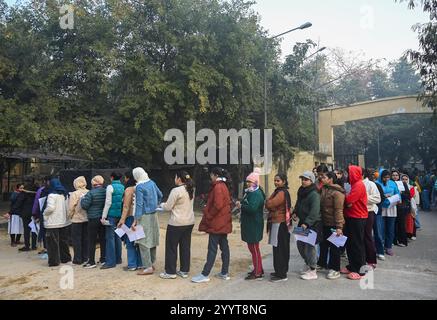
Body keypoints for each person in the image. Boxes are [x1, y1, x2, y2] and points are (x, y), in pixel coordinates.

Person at [192, 167, 232, 283]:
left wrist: (209, 214)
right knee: (224, 247)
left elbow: (218, 205)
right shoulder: (223, 186)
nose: (210, 177)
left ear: (214, 175)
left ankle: (205, 274)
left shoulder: (218, 187)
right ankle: (224, 272)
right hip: (223, 222)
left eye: (211, 175)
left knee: (212, 249)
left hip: (217, 223)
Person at [159, 171, 195, 279]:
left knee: (171, 247)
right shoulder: (191, 188)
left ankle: (170, 272)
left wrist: (161, 204)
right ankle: (184, 270)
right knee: (185, 247)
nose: (174, 179)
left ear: (179, 179)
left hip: (176, 223)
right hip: (189, 222)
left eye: (175, 177)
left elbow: (168, 207)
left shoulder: (176, 190)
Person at [236, 168, 265, 281]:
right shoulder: (251, 192)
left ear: (255, 182)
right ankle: (258, 268)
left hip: (254, 225)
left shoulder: (256, 194)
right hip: (251, 224)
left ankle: (258, 272)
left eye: (250, 182)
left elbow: (252, 208)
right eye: (247, 181)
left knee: (254, 249)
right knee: (253, 249)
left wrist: (241, 206)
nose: (248, 183)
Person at [133, 167, 163, 276]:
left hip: (144, 216)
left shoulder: (139, 187)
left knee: (142, 241)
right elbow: (160, 195)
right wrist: (156, 204)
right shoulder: (151, 182)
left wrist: (136, 219)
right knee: (152, 239)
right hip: (154, 215)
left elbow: (139, 204)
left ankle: (147, 266)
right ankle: (152, 263)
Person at [341, 165, 368, 280]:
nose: (346, 176)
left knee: (357, 244)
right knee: (350, 243)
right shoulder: (353, 185)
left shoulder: (358, 185)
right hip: (351, 216)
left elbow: (349, 200)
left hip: (358, 218)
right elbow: (348, 201)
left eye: (348, 173)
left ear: (353, 174)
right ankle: (352, 266)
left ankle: (360, 270)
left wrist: (346, 198)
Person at [293, 171, 321, 281]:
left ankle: (313, 269)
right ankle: (308, 263)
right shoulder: (301, 191)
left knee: (310, 246)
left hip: (312, 224)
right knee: (300, 243)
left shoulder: (314, 194)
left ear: (311, 181)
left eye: (306, 179)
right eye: (302, 179)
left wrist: (307, 223)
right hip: (302, 222)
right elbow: (298, 203)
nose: (303, 181)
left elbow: (315, 211)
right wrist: (295, 212)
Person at [317, 171, 345, 280]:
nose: (321, 179)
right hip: (324, 222)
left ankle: (335, 269)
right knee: (323, 244)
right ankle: (322, 263)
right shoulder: (324, 189)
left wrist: (339, 227)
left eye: (323, 177)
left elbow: (339, 210)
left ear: (330, 179)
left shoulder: (337, 193)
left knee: (334, 247)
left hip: (334, 223)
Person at [265, 174, 292, 282]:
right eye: (275, 180)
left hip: (280, 223)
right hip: (276, 222)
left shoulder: (281, 192)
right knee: (277, 249)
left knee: (280, 249)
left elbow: (270, 204)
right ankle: (279, 271)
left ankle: (281, 274)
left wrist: (267, 202)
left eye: (278, 180)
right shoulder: (278, 191)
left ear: (284, 181)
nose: (276, 182)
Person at [43, 178, 72, 267]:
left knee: (52, 243)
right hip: (64, 222)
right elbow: (68, 208)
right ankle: (65, 258)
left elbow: (50, 208)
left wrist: (44, 213)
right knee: (64, 241)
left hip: (52, 222)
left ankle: (54, 261)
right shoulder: (65, 195)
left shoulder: (51, 195)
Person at [117, 170, 143, 271]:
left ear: (128, 178)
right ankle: (140, 263)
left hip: (129, 218)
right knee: (138, 240)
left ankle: (132, 264)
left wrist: (122, 220)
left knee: (129, 241)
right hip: (138, 217)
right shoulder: (139, 188)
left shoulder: (128, 190)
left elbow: (126, 206)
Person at [81, 175, 107, 269]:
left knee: (91, 240)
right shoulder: (105, 192)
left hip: (93, 218)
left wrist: (82, 199)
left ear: (93, 183)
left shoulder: (90, 193)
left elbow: (84, 206)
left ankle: (91, 261)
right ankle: (103, 259)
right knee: (103, 239)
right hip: (103, 218)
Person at [100, 172, 125, 269]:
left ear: (111, 178)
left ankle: (110, 262)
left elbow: (108, 202)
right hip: (120, 215)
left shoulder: (110, 187)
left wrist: (103, 216)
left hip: (111, 215)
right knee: (118, 236)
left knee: (110, 238)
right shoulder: (123, 187)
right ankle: (118, 259)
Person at [375, 169, 400, 257]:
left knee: (390, 229)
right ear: (381, 177)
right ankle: (380, 247)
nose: (387, 179)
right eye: (385, 177)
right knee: (380, 229)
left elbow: (398, 193)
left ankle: (388, 246)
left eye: (388, 177)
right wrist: (384, 196)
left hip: (392, 207)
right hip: (381, 208)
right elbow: (375, 194)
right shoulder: (377, 183)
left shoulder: (393, 183)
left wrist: (397, 198)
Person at [68, 176, 89, 265]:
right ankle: (86, 257)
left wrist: (70, 216)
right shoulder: (89, 192)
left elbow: (71, 207)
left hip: (76, 220)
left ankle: (77, 259)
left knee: (76, 240)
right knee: (86, 239)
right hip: (87, 219)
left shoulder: (74, 194)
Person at [13, 177, 37, 252]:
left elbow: (19, 202)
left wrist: (11, 211)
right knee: (34, 229)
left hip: (26, 213)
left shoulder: (24, 191)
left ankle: (27, 246)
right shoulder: (36, 189)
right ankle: (33, 246)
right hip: (34, 212)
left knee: (26, 230)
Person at [362, 168, 381, 269]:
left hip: (368, 212)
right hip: (357, 213)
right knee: (360, 237)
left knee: (368, 236)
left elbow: (378, 198)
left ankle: (371, 259)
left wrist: (362, 198)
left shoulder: (370, 184)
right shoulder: (353, 184)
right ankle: (362, 257)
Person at [32, 176, 51, 256]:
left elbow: (37, 202)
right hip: (54, 216)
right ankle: (49, 248)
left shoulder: (41, 190)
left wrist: (34, 214)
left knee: (42, 231)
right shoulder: (57, 191)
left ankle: (43, 248)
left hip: (44, 214)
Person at [392, 170, 410, 247]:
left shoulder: (403, 183)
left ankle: (403, 240)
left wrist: (401, 193)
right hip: (392, 206)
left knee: (401, 224)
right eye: (393, 175)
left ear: (399, 176)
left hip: (401, 207)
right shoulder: (390, 184)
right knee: (393, 224)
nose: (395, 176)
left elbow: (408, 195)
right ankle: (394, 240)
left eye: (396, 175)